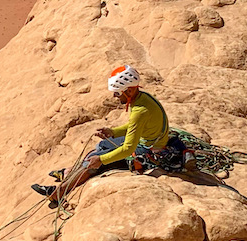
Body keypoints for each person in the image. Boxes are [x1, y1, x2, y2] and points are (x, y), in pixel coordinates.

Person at [32, 64, 181, 207]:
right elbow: (136, 126)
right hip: (149, 141)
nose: (115, 96)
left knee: (95, 161)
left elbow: (129, 148)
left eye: (118, 92)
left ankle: (59, 192)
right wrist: (113, 132)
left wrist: (101, 160)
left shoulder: (139, 110)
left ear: (129, 91)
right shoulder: (142, 98)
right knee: (103, 145)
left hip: (148, 150)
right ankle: (72, 171)